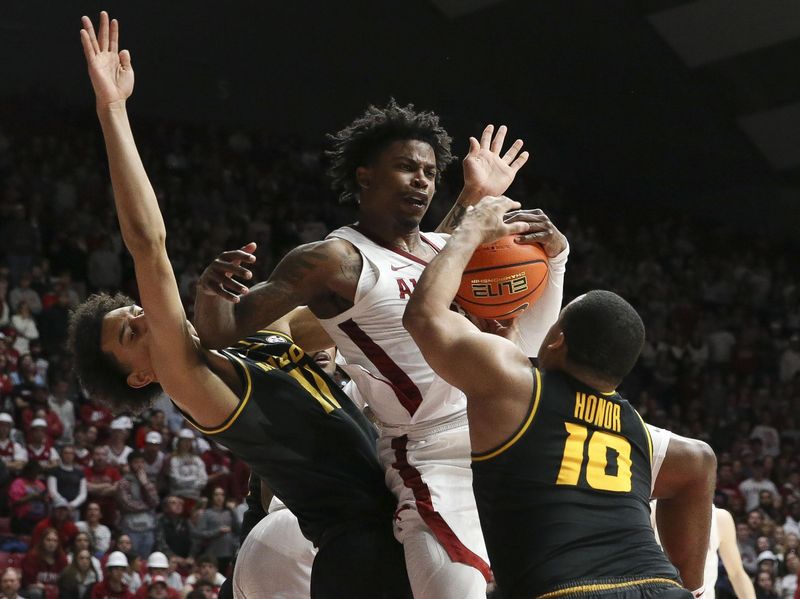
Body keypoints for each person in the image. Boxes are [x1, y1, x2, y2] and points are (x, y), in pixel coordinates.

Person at [72, 12, 409, 598]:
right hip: (356, 546)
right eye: (131, 334)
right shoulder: (192, 380)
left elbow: (383, 304)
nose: (143, 315)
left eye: (131, 310)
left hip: (400, 509)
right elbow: (148, 244)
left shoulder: (265, 329)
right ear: (143, 376)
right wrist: (113, 112)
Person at [195, 80, 565, 599]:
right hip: (428, 452)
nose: (421, 181)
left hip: (501, 432)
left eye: (431, 173)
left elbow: (450, 259)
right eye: (407, 167)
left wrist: (487, 204)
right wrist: (212, 289)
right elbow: (222, 331)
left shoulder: (447, 246)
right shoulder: (334, 261)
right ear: (364, 175)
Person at [403, 195, 718, 598]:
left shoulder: (517, 388)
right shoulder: (635, 429)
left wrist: (470, 230)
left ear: (558, 341)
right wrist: (688, 584)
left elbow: (423, 316)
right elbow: (700, 463)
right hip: (659, 586)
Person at [116, 451, 159, 558]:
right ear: (130, 464)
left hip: (148, 526)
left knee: (144, 560)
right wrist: (147, 506)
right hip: (131, 527)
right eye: (136, 462)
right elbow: (127, 504)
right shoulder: (124, 482)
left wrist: (144, 483)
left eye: (142, 462)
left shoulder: (148, 481)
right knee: (131, 557)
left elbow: (155, 501)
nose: (139, 465)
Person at [193, 487, 238, 576]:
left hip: (229, 552)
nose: (219, 497)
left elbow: (238, 529)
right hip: (213, 554)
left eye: (222, 494)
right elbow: (199, 533)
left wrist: (233, 510)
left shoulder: (229, 512)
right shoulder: (207, 513)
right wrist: (217, 531)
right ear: (212, 497)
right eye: (216, 494)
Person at [21, 527, 68, 599]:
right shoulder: (32, 557)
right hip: (32, 591)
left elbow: (64, 582)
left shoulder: (62, 559)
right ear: (42, 541)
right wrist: (46, 588)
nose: (51, 543)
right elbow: (28, 583)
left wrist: (47, 588)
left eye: (55, 541)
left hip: (54, 591)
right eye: (48, 540)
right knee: (36, 593)